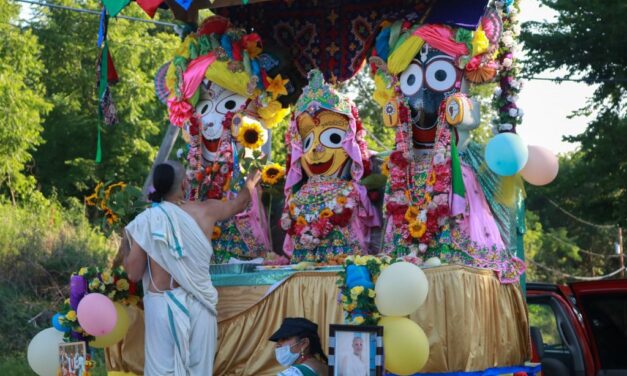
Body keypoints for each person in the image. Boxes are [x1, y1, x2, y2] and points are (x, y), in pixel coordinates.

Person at [123, 160, 261, 376]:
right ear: (185, 185)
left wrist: (126, 239)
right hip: (199, 307)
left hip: (162, 305)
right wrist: (251, 180)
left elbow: (132, 273)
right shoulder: (206, 211)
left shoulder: (147, 221)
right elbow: (240, 203)